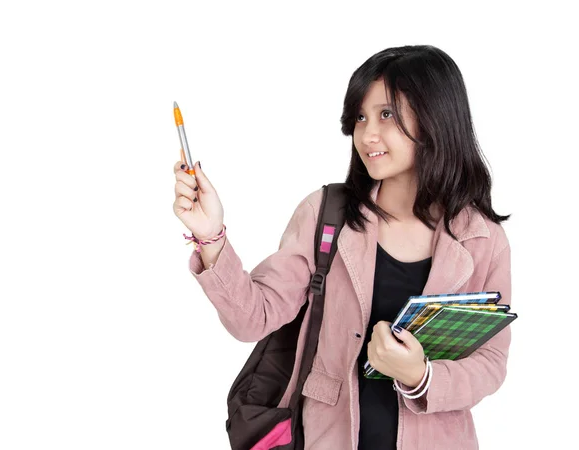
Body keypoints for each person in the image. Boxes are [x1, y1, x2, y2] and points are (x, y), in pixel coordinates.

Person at [173, 45, 512, 450]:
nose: (367, 134)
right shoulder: (326, 215)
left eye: (387, 114)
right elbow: (254, 318)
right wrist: (212, 238)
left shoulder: (481, 238)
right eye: (360, 117)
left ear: (436, 116)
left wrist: (420, 375)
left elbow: (490, 364)